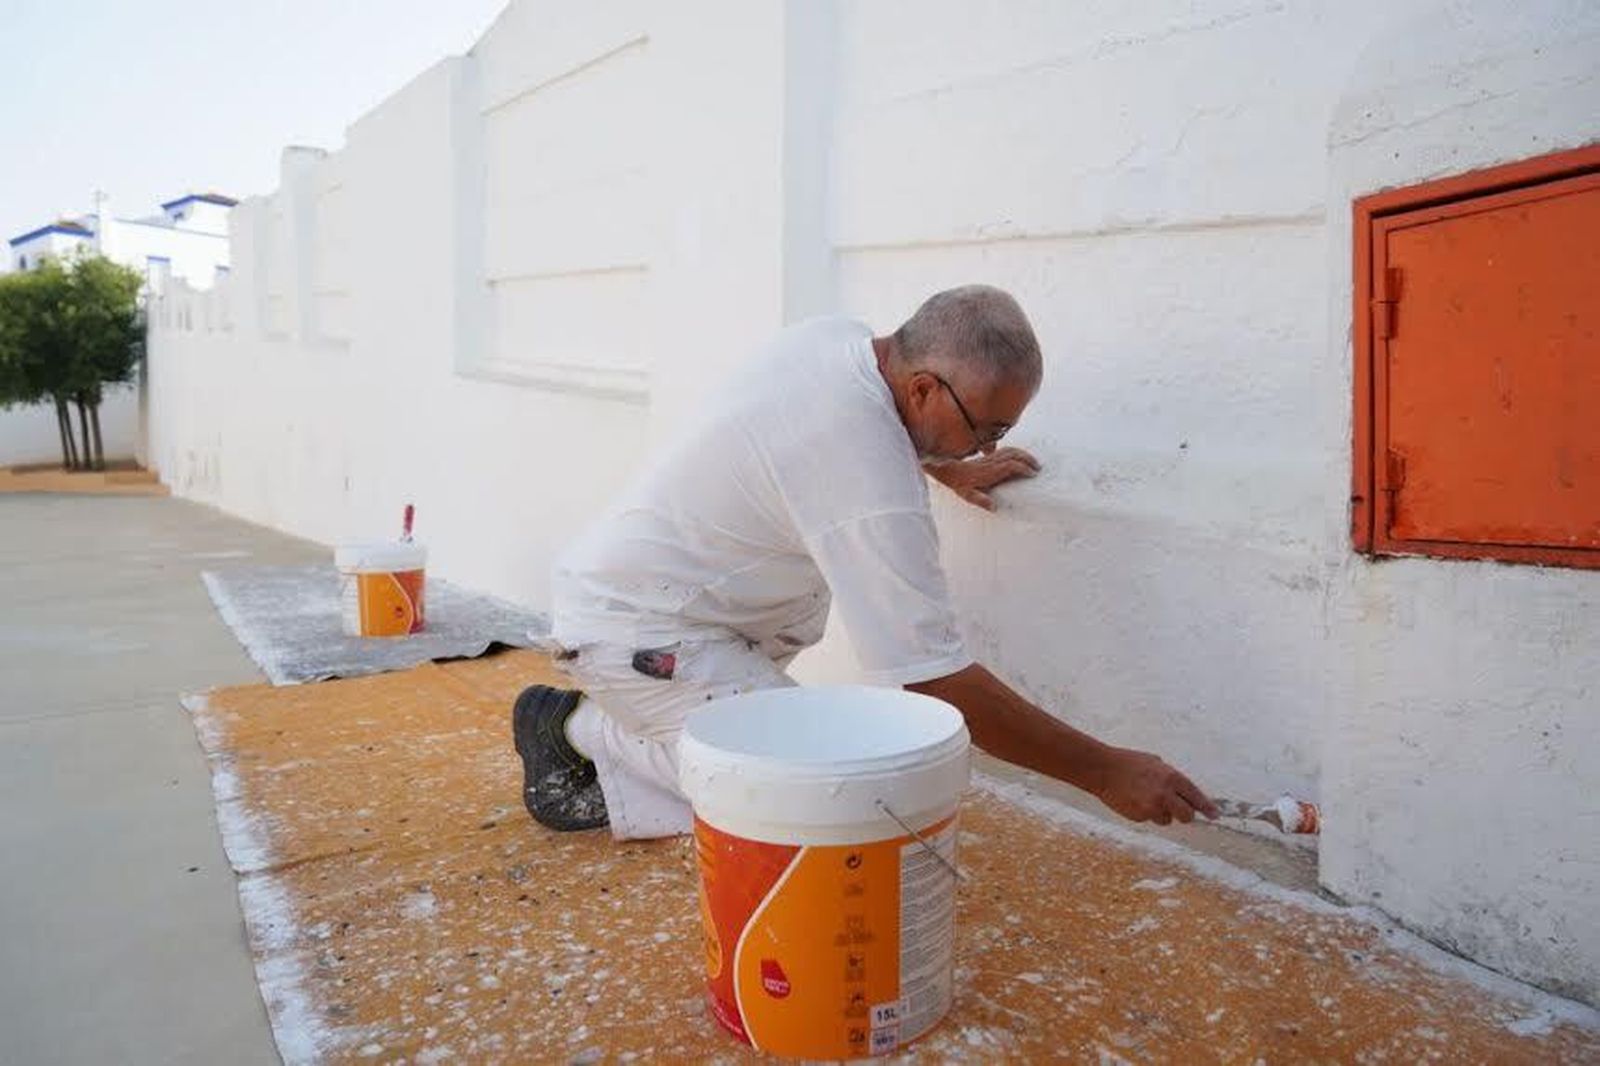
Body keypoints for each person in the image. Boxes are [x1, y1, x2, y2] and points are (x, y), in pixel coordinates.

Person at [513, 285, 1218, 838]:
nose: (984, 448)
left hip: (675, 607)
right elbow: (936, 683)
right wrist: (1104, 770)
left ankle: (623, 729)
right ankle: (571, 731)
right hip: (642, 632)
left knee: (781, 759)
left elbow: (857, 435)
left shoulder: (840, 340)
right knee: (822, 790)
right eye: (986, 428)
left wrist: (946, 464)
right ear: (923, 390)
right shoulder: (871, 483)